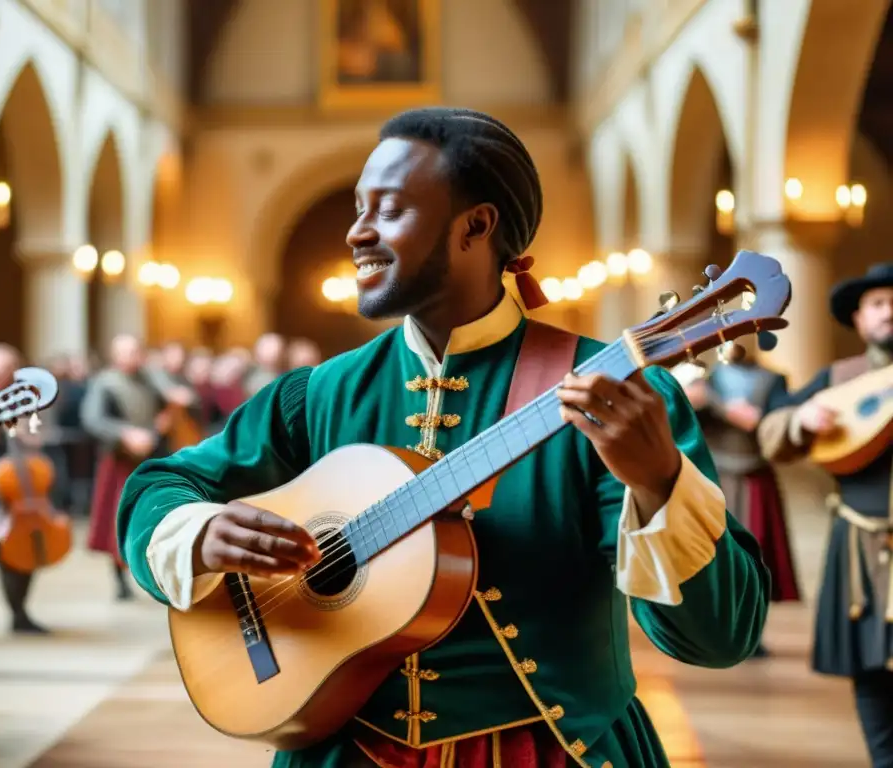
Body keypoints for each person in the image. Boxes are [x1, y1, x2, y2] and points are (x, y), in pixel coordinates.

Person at [117, 108, 769, 768]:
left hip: (551, 753)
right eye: (357, 207)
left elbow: (720, 638)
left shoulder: (615, 399)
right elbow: (158, 486)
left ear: (476, 226)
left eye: (388, 209)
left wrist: (660, 483)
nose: (355, 232)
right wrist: (199, 533)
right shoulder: (316, 394)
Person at [758, 263, 893, 767]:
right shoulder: (839, 379)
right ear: (858, 319)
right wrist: (800, 419)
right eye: (878, 304)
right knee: (871, 668)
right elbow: (771, 431)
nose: (889, 312)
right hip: (862, 543)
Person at [681, 343, 800, 657]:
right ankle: (712, 630)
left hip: (754, 474)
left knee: (757, 554)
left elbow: (777, 421)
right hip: (714, 476)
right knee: (712, 554)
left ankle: (751, 632)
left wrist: (755, 418)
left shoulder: (772, 379)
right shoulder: (706, 380)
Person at [81, 334, 181, 600]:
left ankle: (156, 573)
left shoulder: (150, 377)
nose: (131, 357)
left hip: (150, 457)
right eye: (125, 352)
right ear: (115, 356)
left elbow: (167, 403)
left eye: (135, 351)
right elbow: (93, 418)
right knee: (117, 518)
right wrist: (125, 433)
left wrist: (163, 421)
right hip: (118, 460)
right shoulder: (105, 382)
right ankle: (120, 580)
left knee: (155, 514)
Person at [0, 343, 65, 634]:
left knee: (29, 550)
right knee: (7, 556)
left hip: (27, 490)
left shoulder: (29, 402)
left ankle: (21, 611)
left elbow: (42, 436)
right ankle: (16, 612)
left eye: (9, 367)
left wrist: (30, 432)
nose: (3, 373)